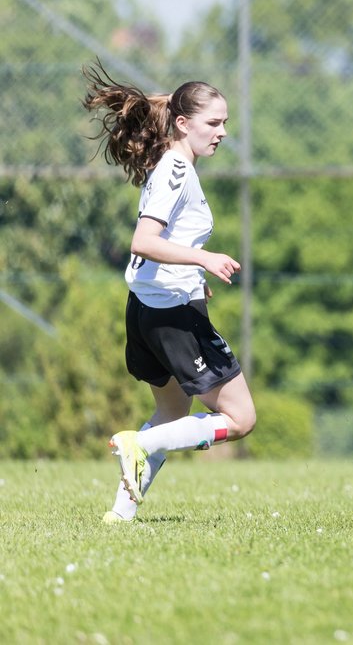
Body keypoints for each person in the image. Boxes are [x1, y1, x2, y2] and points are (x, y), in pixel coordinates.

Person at [82, 61, 256, 522]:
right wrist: (203, 259)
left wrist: (193, 277)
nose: (221, 132)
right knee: (241, 419)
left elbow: (164, 246)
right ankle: (138, 444)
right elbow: (144, 241)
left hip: (148, 311)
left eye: (225, 124)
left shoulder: (174, 166)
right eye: (213, 123)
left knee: (173, 411)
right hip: (172, 317)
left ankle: (120, 515)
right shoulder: (176, 171)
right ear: (183, 123)